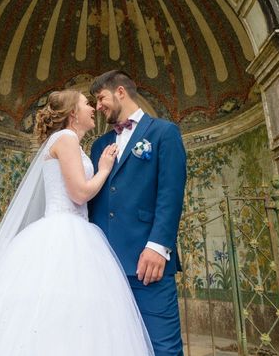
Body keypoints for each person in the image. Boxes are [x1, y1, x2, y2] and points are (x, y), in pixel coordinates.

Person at [0, 89, 153, 356]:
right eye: (87, 104)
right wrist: (105, 169)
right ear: (73, 113)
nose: (92, 108)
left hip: (72, 228)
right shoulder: (66, 139)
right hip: (65, 230)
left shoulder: (68, 141)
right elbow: (80, 193)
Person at [89, 70, 188, 356]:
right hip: (104, 265)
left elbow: (170, 193)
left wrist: (158, 247)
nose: (98, 107)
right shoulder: (99, 145)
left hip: (148, 264)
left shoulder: (164, 132)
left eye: (101, 98)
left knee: (164, 348)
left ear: (121, 92)